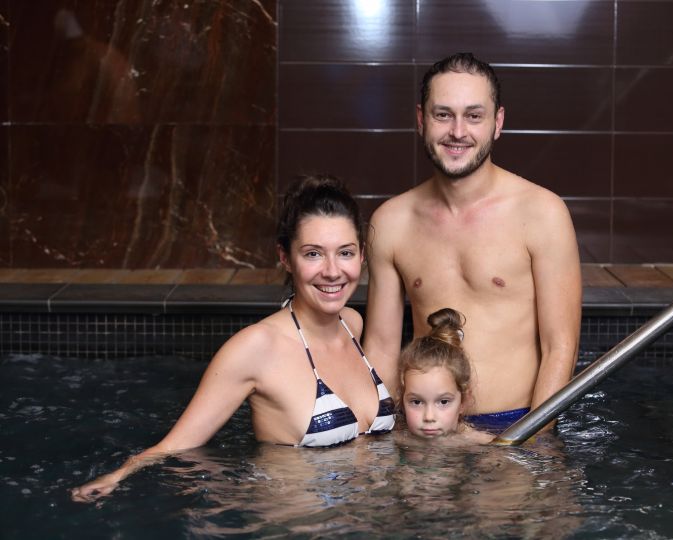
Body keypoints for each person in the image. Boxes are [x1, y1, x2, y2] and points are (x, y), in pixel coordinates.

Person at [71, 175, 395, 502]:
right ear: (285, 257)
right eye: (313, 254)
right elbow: (177, 444)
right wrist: (120, 475)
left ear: (362, 256)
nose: (332, 271)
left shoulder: (352, 324)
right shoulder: (255, 348)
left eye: (345, 253)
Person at [363, 52, 582, 432]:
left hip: (516, 427)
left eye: (474, 115)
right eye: (443, 114)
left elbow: (560, 347)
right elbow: (381, 348)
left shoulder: (542, 213)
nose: (458, 131)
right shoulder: (391, 222)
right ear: (421, 119)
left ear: (497, 123)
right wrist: (374, 442)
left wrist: (526, 446)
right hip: (424, 431)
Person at [398, 308, 492, 444]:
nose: (429, 417)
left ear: (463, 402)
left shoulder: (482, 444)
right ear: (402, 402)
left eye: (443, 402)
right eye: (416, 402)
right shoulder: (397, 440)